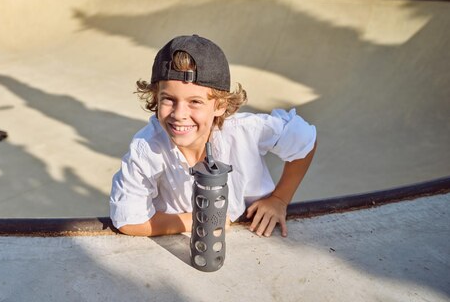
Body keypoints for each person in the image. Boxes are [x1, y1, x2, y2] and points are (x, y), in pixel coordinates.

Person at [109, 34, 317, 238]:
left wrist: (280, 199)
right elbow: (129, 220)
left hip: (252, 230)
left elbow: (304, 140)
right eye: (168, 99)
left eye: (195, 102)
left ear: (219, 105)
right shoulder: (147, 147)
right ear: (155, 97)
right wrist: (198, 220)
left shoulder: (244, 130)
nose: (179, 115)